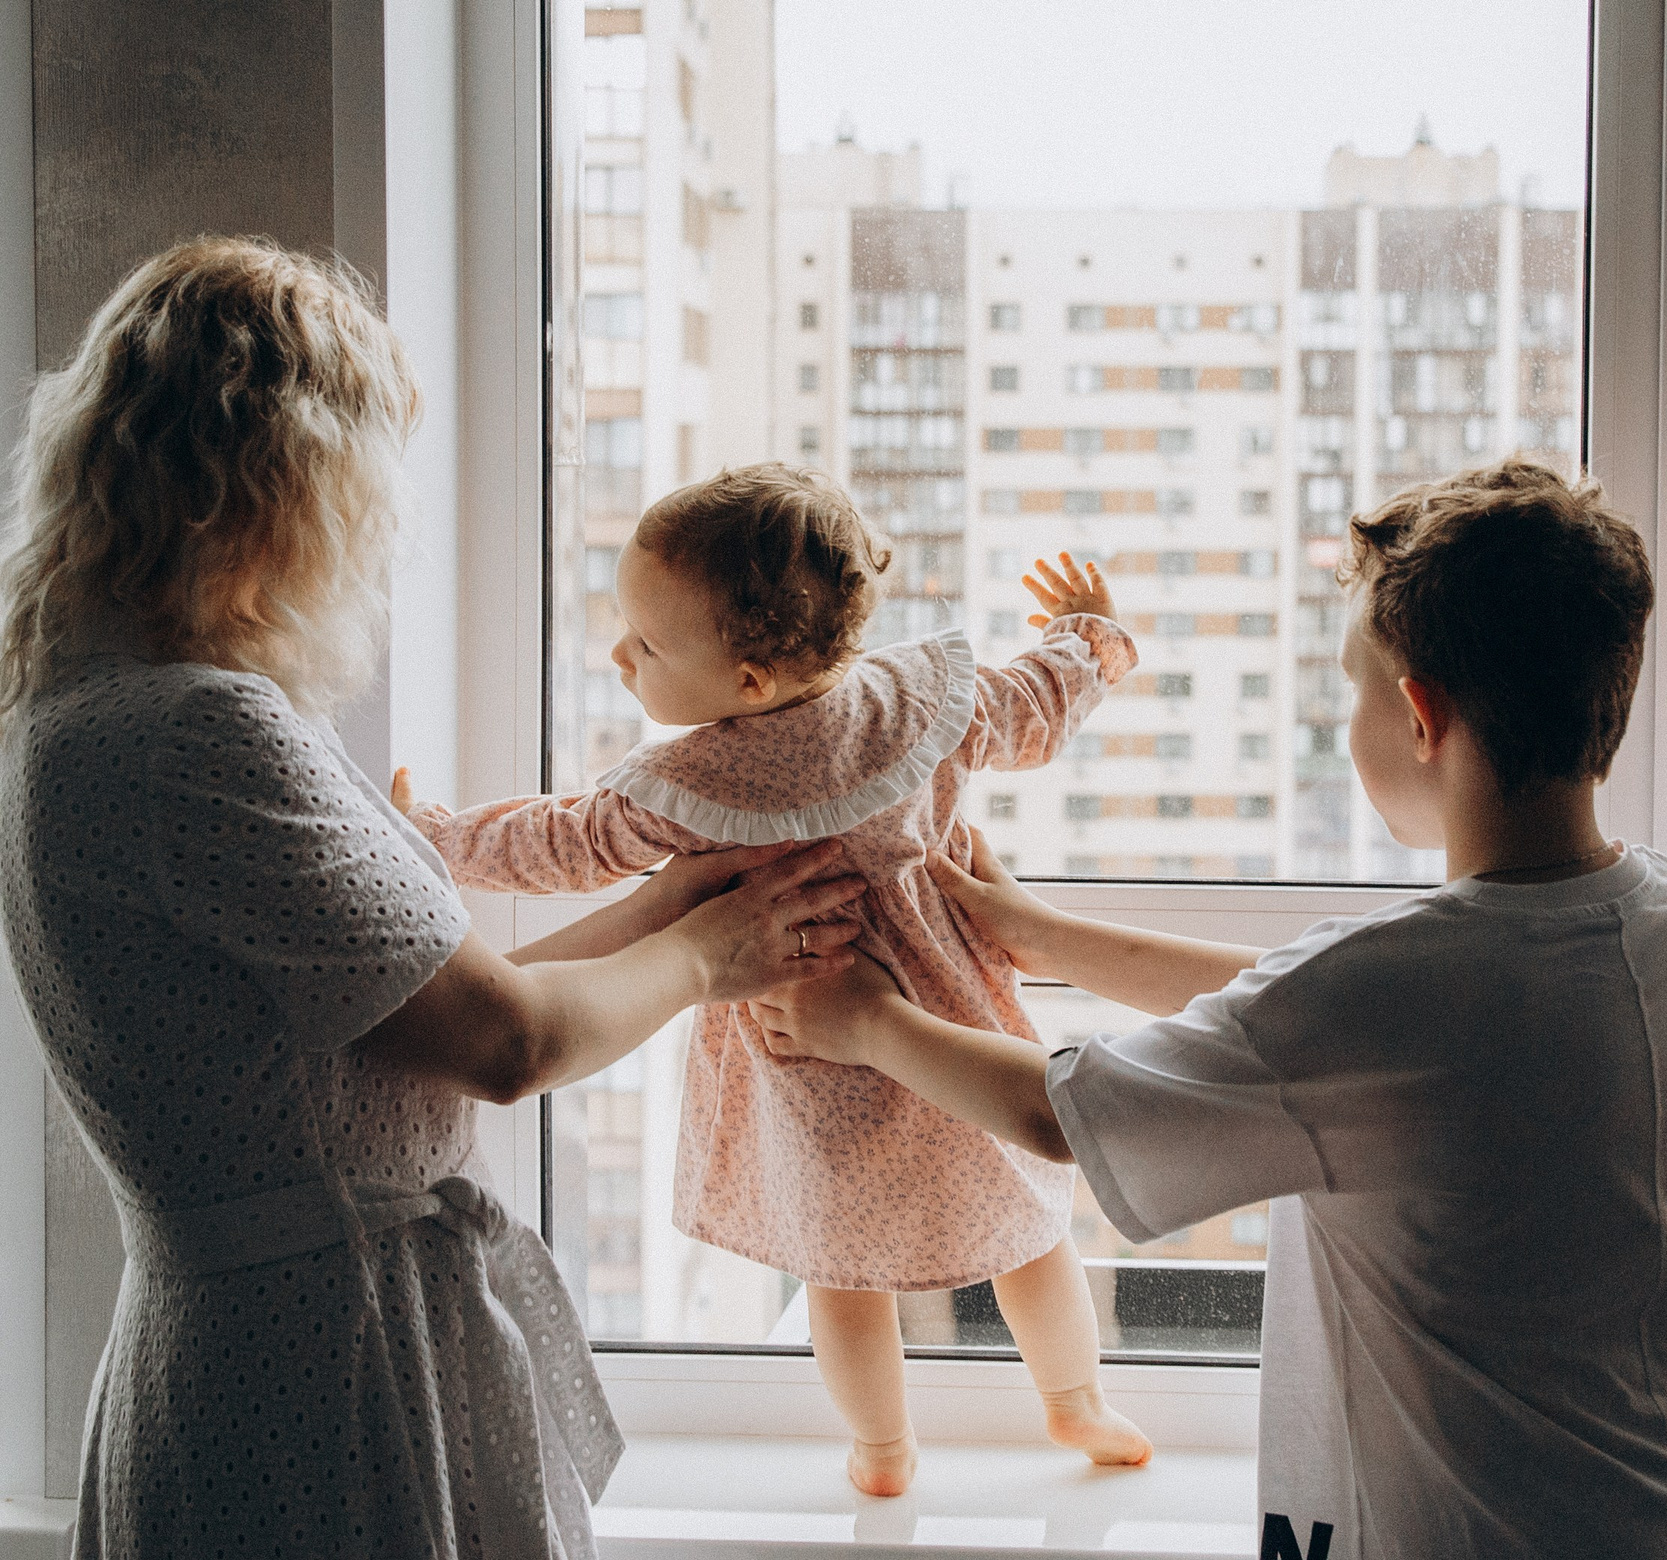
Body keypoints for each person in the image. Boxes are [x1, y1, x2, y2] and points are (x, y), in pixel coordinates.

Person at [753, 459, 1667, 1560]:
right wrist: (1039, 936)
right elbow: (1299, 1009)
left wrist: (865, 1019)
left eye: (1349, 695)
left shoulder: (1392, 998)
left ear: (1418, 714)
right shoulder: (1651, 910)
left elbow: (1063, 1109)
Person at [0, 238, 870, 1560]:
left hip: (235, 1354)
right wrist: (709, 949)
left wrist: (672, 904)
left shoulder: (80, 709)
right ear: (282, 478)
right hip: (322, 1377)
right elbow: (506, 1041)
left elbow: (424, 998)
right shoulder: (206, 732)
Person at [398, 467, 1149, 1495]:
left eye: (645, 645)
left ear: (748, 680)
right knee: (1029, 1232)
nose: (619, 655)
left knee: (842, 1272)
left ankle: (882, 1453)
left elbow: (562, 844)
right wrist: (1088, 638)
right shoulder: (920, 699)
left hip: (813, 1048)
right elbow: (1035, 703)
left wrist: (433, 841)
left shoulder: (692, 785)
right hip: (955, 1026)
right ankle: (1076, 1403)